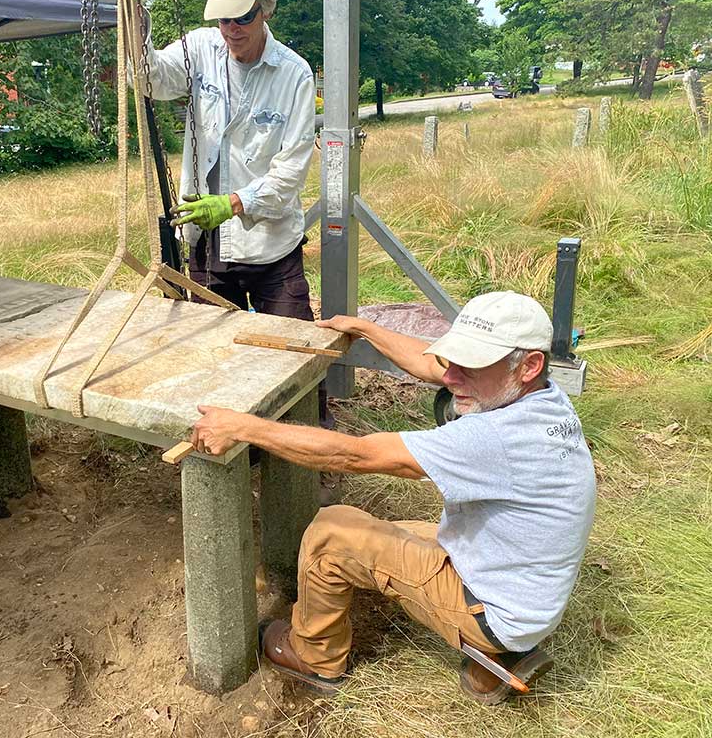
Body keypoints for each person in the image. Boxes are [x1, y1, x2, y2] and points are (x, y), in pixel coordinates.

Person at [189, 291, 597, 704]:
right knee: (385, 532)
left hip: (493, 608)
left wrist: (243, 428)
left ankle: (314, 657)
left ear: (528, 365)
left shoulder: (494, 439)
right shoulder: (541, 398)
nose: (452, 376)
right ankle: (498, 658)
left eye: (469, 365)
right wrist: (365, 329)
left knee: (330, 532)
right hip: (525, 586)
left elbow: (356, 454)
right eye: (454, 359)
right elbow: (430, 363)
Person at [134, 0, 331, 424]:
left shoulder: (294, 73)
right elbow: (152, 80)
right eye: (222, 19)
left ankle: (306, 459)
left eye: (241, 17)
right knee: (212, 355)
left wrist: (234, 203)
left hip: (271, 248)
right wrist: (136, 14)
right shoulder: (201, 48)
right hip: (207, 244)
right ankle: (234, 452)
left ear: (264, 9)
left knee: (295, 355)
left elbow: (290, 171)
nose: (230, 30)